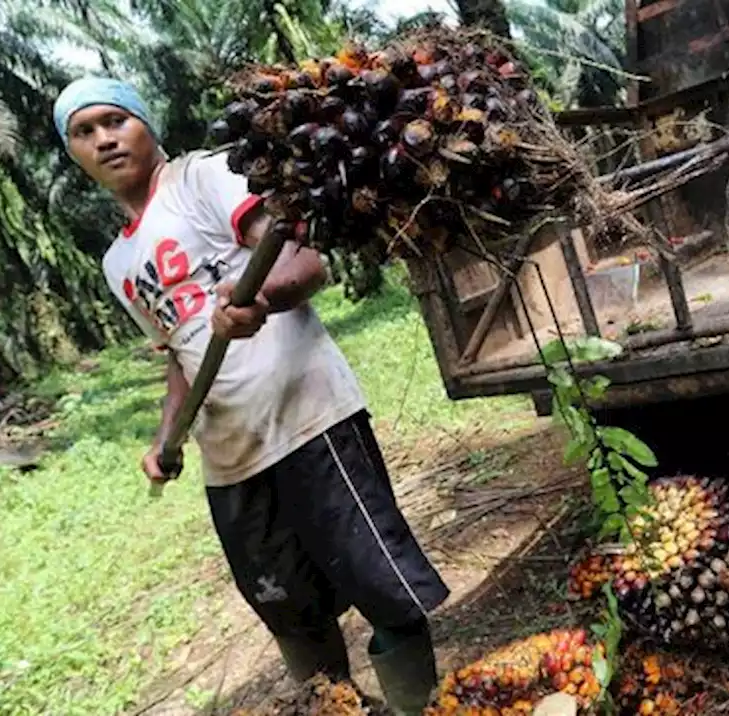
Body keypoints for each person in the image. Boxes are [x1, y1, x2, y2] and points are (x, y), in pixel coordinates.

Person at [53, 76, 450, 713]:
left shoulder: (202, 178)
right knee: (288, 610)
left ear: (145, 123)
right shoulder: (116, 264)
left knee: (379, 584)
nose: (104, 139)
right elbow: (181, 360)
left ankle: (421, 707)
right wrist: (165, 440)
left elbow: (305, 262)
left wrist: (261, 298)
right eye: (84, 131)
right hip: (232, 459)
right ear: (73, 151)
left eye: (114, 120)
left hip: (307, 421)